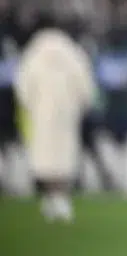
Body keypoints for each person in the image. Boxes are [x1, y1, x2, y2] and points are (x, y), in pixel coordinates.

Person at [14, 19, 98, 223]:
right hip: (66, 113)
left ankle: (51, 197)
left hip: (42, 113)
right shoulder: (73, 53)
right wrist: (81, 106)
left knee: (44, 156)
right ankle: (61, 198)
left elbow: (23, 86)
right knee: (64, 155)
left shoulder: (33, 53)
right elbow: (85, 86)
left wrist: (30, 106)